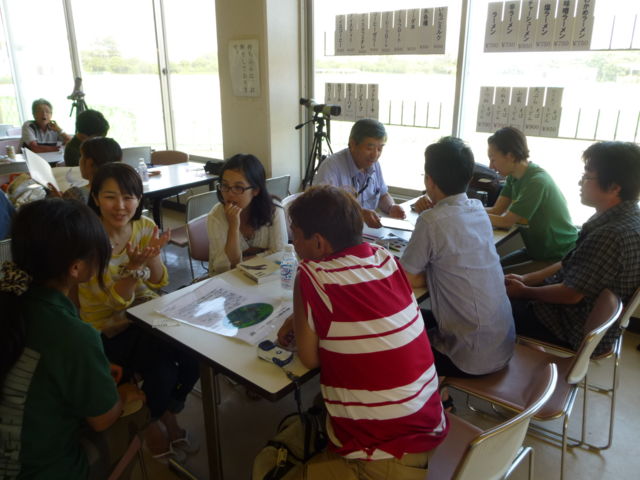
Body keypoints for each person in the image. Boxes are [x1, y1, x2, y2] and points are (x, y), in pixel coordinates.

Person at [278, 185, 448, 480]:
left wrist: (302, 312)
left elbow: (310, 359)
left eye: (295, 235)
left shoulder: (310, 274)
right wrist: (300, 316)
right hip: (428, 427)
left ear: (318, 242)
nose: (293, 243)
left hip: (380, 460)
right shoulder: (385, 259)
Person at [0, 198, 135, 478]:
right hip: (42, 470)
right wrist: (123, 396)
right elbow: (101, 419)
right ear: (76, 268)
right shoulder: (72, 334)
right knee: (136, 411)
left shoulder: (11, 298)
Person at [78, 163, 199, 461]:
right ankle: (154, 423)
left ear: (139, 198)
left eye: (128, 197)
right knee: (163, 369)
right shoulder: (88, 239)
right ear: (95, 198)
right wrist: (133, 270)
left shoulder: (144, 227)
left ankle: (164, 411)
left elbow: (159, 281)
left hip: (144, 316)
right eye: (110, 197)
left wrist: (152, 257)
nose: (120, 206)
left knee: (194, 356)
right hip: (106, 329)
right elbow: (113, 302)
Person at [506, 141, 640, 356]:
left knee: (487, 306)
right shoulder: (628, 218)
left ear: (615, 187)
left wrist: (524, 292)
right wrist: (526, 279)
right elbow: (570, 261)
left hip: (572, 326)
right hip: (586, 317)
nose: (580, 182)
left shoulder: (611, 235)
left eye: (587, 177)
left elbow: (570, 295)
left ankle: (505, 364)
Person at [401, 137, 515, 380]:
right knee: (421, 316)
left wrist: (434, 275)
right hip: (502, 344)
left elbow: (406, 279)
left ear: (429, 180)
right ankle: (440, 391)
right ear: (469, 177)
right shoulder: (478, 209)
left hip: (470, 357)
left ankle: (437, 393)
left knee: (396, 331)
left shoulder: (430, 221)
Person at [485, 127, 577, 268]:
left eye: (493, 159)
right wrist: (466, 209)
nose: (490, 166)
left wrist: (473, 213)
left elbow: (506, 222)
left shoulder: (536, 181)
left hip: (559, 255)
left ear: (510, 156)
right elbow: (497, 210)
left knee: (496, 274)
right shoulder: (513, 177)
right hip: (536, 252)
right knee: (493, 268)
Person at [313, 118, 406, 228]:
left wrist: (391, 207)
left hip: (368, 231)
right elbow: (323, 208)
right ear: (353, 144)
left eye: (379, 149)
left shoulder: (374, 164)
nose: (375, 155)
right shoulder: (331, 167)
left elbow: (382, 194)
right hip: (339, 231)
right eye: (369, 148)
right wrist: (359, 213)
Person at [207, 153, 287, 274]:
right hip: (227, 280)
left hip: (266, 278)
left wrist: (242, 259)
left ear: (255, 190)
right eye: (225, 185)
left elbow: (280, 254)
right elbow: (222, 267)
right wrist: (233, 227)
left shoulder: (273, 210)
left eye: (238, 187)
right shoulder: (216, 216)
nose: (229, 193)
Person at [50, 136, 122, 203]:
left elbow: (68, 211)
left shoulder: (76, 194)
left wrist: (60, 202)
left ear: (89, 163)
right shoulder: (124, 190)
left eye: (81, 156)